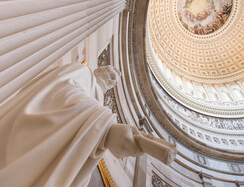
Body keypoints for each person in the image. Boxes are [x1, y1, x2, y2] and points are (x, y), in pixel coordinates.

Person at [0, 63, 176, 187]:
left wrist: (101, 137)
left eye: (115, 81)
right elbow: (61, 91)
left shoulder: (95, 103)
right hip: (19, 142)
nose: (112, 82)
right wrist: (107, 130)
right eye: (112, 75)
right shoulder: (83, 73)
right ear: (99, 70)